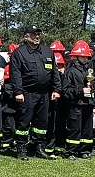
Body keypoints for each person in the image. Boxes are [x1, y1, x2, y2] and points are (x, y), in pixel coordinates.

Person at [8, 24, 60, 159]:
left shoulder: (47, 52)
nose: (37, 37)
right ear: (26, 37)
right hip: (27, 93)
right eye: (33, 34)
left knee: (42, 122)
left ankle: (39, 148)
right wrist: (18, 92)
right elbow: (15, 74)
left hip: (44, 94)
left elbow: (54, 72)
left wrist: (57, 89)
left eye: (38, 34)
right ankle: (21, 148)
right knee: (23, 122)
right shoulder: (19, 53)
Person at [60, 41, 95, 158]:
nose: (85, 59)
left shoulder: (89, 72)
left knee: (87, 130)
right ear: (75, 58)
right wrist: (80, 91)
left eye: (87, 57)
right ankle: (70, 152)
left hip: (88, 104)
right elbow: (65, 91)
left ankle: (85, 151)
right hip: (75, 105)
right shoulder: (70, 72)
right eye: (83, 56)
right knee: (74, 129)